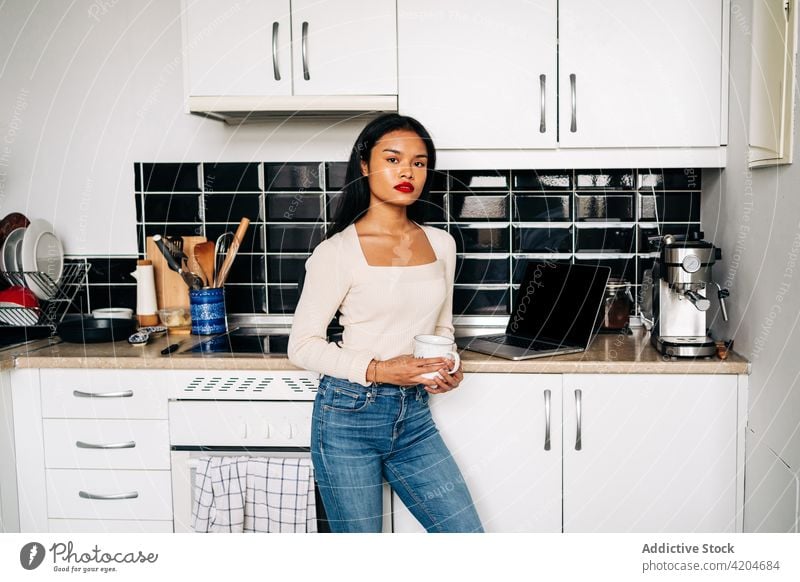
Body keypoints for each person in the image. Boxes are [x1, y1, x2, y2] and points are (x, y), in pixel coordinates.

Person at [287, 113, 483, 533]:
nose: (407, 172)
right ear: (364, 164)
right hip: (347, 417)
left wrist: (448, 368)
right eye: (393, 159)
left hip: (413, 416)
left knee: (465, 536)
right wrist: (378, 369)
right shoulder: (336, 252)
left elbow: (441, 329)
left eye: (419, 162)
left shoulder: (441, 243)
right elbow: (301, 346)